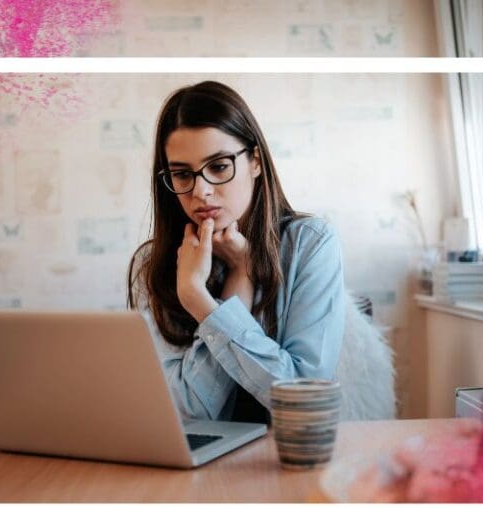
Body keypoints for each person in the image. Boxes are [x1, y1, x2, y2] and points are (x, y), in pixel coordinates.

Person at [127, 80, 345, 424]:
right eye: (182, 174)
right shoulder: (152, 264)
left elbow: (305, 399)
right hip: (194, 470)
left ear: (255, 161)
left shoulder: (310, 244)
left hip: (288, 459)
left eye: (218, 166)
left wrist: (202, 303)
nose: (201, 191)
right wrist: (237, 284)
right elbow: (187, 412)